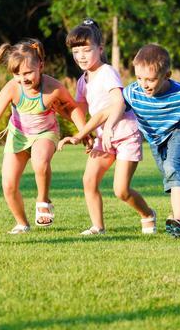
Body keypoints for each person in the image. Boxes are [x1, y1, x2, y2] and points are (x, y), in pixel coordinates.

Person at [59, 44, 180, 239]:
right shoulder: (134, 91)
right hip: (156, 140)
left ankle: (178, 223)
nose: (144, 84)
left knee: (173, 169)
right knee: (175, 178)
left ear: (167, 75)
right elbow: (108, 111)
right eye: (139, 78)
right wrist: (82, 134)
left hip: (179, 132)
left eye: (150, 79)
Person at [0, 39, 87, 234]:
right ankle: (22, 223)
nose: (23, 79)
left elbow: (72, 109)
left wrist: (84, 132)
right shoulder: (13, 88)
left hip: (46, 133)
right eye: (17, 74)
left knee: (40, 162)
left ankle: (43, 200)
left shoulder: (53, 87)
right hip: (18, 136)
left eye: (28, 72)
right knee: (8, 185)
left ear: (41, 66)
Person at [61, 18, 155, 236]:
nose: (81, 56)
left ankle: (148, 214)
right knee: (89, 180)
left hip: (124, 134)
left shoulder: (107, 72)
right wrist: (81, 133)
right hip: (103, 137)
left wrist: (109, 126)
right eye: (76, 52)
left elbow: (119, 102)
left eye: (86, 50)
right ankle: (98, 227)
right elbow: (80, 110)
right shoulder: (82, 80)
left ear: (100, 49)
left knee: (121, 190)